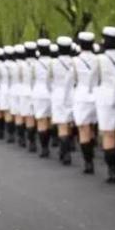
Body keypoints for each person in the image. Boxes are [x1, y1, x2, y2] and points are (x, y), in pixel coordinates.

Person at [92, 27, 115, 184]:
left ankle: (112, 171)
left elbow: (93, 78)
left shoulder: (99, 59)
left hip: (105, 97)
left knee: (108, 134)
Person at [72, 32, 99, 174]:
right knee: (96, 126)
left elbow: (70, 80)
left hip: (81, 95)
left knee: (83, 129)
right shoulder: (99, 59)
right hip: (97, 95)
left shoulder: (75, 61)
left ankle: (88, 163)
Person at [51, 36, 76, 165]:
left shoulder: (53, 63)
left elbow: (49, 80)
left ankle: (64, 153)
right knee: (70, 122)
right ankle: (69, 147)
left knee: (62, 124)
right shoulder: (75, 62)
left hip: (58, 94)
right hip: (72, 93)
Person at [32, 38, 53, 158]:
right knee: (50, 119)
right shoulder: (54, 62)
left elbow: (32, 80)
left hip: (39, 92)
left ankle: (44, 148)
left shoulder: (35, 64)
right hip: (51, 93)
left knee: (41, 120)